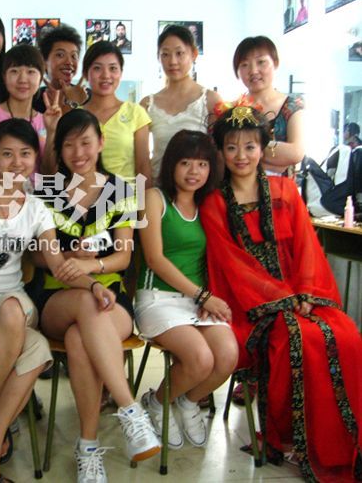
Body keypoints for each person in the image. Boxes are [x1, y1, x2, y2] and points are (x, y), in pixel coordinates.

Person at [0, 119, 120, 482]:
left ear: (35, 159)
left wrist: (92, 286)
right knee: (37, 350)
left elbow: (57, 264)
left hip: (15, 304)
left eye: (25, 154)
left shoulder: (37, 208)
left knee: (13, 308)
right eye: (7, 154)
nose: (16, 162)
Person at [200, 106, 362, 481]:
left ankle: (343, 439)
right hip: (250, 304)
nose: (241, 155)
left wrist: (305, 291)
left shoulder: (286, 190)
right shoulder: (215, 202)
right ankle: (291, 438)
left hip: (303, 294)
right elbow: (231, 262)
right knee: (296, 336)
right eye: (231, 147)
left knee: (347, 335)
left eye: (250, 146)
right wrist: (282, 300)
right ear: (220, 151)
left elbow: (306, 246)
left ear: (264, 148)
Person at [35, 109, 161, 482]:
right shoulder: (46, 191)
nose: (79, 152)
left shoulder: (120, 190)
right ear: (59, 150)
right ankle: (130, 410)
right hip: (58, 298)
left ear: (101, 143)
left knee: (80, 338)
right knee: (87, 304)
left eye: (86, 142)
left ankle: (88, 447)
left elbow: (123, 256)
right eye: (69, 145)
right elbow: (40, 258)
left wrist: (92, 266)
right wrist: (72, 264)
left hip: (111, 297)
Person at [135, 130, 238, 450]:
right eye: (185, 163)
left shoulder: (209, 204)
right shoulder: (154, 198)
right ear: (171, 165)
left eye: (202, 164)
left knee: (228, 356)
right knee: (200, 359)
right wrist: (203, 295)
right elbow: (154, 259)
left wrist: (207, 296)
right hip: (158, 299)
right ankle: (156, 402)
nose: (194, 171)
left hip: (197, 300)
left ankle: (188, 401)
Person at [140, 25, 221, 180]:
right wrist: (145, 192)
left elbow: (218, 155)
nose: (173, 61)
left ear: (194, 54)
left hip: (197, 188)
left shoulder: (210, 101)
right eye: (165, 54)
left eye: (179, 53)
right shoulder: (147, 104)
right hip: (158, 189)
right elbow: (141, 159)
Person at [0, 44, 61, 180]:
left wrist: (52, 131)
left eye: (31, 72)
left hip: (36, 193)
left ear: (41, 78)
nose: (22, 79)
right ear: (4, 77)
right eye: (14, 71)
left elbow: (49, 175)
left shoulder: (47, 120)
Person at [232, 36, 305, 176]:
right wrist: (278, 160)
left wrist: (245, 151)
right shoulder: (233, 110)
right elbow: (224, 155)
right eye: (244, 65)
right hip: (240, 188)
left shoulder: (292, 104)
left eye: (261, 62)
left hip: (281, 188)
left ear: (275, 63)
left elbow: (296, 152)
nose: (253, 71)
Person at [82, 41, 152, 185]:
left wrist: (144, 199)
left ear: (121, 73)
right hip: (84, 196)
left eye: (113, 68)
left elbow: (143, 167)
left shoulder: (136, 113)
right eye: (97, 68)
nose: (106, 75)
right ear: (85, 74)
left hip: (126, 197)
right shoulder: (76, 116)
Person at [34, 23, 88, 116]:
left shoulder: (85, 96)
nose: (69, 62)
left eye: (74, 56)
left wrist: (74, 103)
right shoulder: (34, 99)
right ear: (44, 62)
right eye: (60, 55)